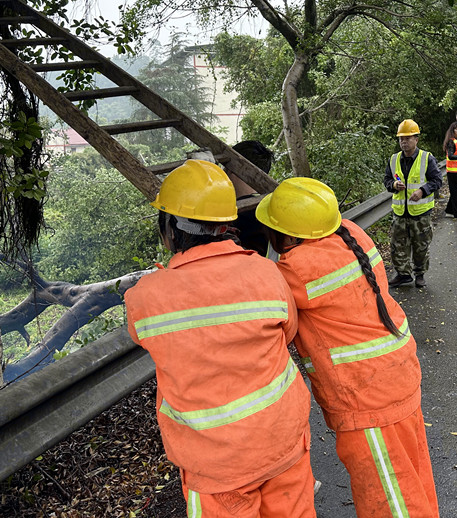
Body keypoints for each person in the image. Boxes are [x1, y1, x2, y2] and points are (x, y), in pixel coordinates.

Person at [125, 159, 316, 518]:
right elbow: (288, 332)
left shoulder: (145, 297)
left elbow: (150, 340)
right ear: (227, 224)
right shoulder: (266, 272)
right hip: (282, 442)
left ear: (169, 228)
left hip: (215, 463)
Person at [255, 178, 440, 518]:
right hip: (398, 374)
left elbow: (259, 306)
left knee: (390, 503)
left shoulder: (298, 270)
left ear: (292, 236)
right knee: (412, 484)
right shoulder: (353, 233)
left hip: (366, 397)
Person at [384, 119, 443, 288]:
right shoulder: (394, 159)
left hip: (420, 213)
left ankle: (420, 274)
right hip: (400, 212)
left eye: (408, 138)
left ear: (416, 139)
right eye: (401, 139)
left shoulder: (426, 158)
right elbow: (387, 179)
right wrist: (394, 185)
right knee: (397, 245)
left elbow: (437, 180)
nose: (404, 142)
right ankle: (403, 274)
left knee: (420, 245)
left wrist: (422, 191)